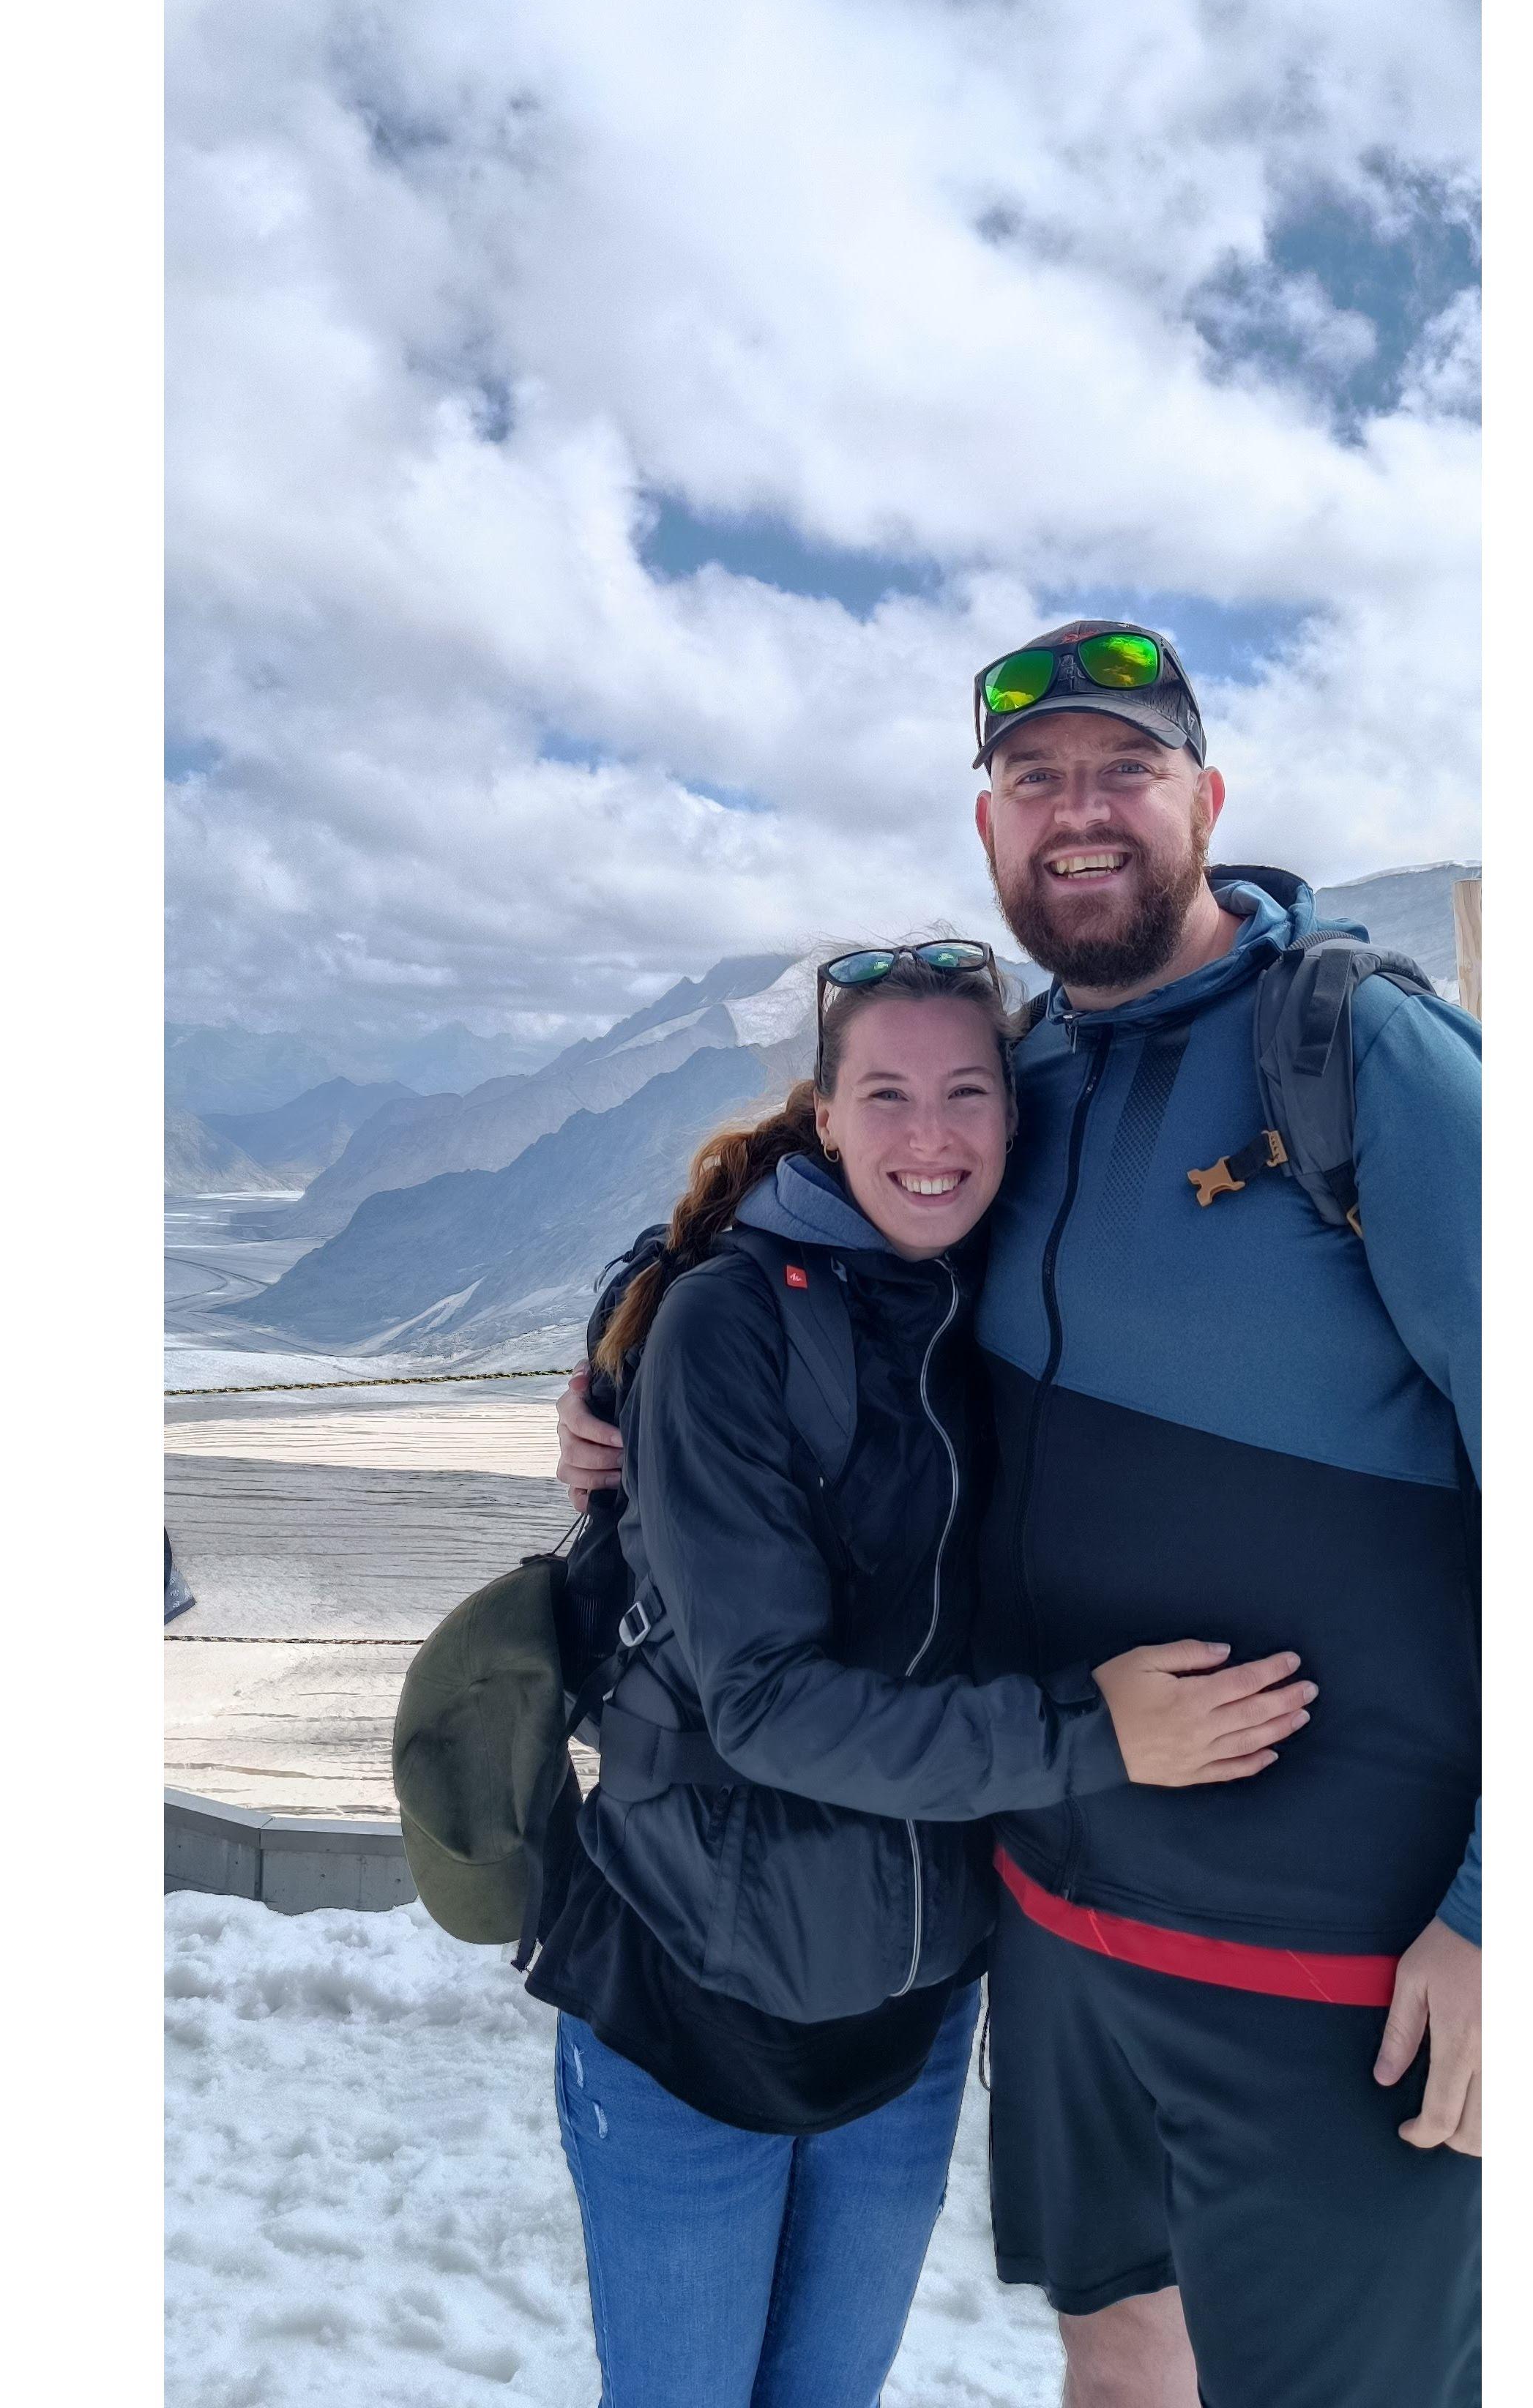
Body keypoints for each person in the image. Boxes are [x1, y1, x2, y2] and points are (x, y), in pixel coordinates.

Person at [560, 619, 1480, 2408]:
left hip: (1340, 1955)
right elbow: (807, 1226)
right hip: (1058, 1930)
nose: (1078, 811)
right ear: (986, 831)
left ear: (1203, 797)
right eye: (1032, 776)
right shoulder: (1018, 1083)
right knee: (1120, 2363)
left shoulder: (1357, 1058)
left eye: (1122, 766)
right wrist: (623, 1356)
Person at [532, 939, 1316, 2408]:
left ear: (1015, 1118)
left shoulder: (1007, 1305)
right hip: (689, 1990)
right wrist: (1099, 1734)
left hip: (904, 2014)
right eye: (883, 1092)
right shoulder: (732, 1317)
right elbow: (761, 1701)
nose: (928, 1132)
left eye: (967, 1090)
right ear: (821, 1113)